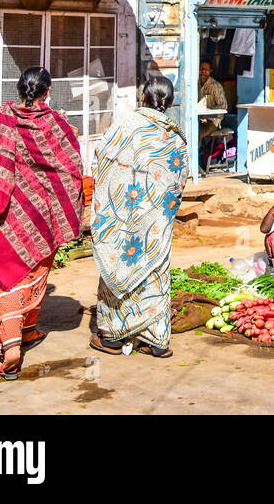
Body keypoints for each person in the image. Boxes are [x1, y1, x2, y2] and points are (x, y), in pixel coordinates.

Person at [0, 67, 84, 380]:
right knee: (25, 275)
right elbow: (72, 168)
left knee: (8, 275)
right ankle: (11, 347)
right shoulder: (57, 125)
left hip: (2, 215)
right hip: (40, 215)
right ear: (47, 91)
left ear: (19, 90)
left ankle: (23, 334)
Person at [89, 75, 189, 358]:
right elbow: (179, 179)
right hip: (155, 219)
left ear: (143, 98)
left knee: (118, 262)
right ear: (169, 102)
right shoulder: (175, 136)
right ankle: (156, 339)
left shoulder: (125, 125)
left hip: (120, 215)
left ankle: (112, 336)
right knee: (155, 269)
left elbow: (102, 158)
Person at [197, 59, 228, 140]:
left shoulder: (215, 86)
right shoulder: (195, 84)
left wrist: (207, 115)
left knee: (197, 133)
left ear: (210, 71)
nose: (203, 71)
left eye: (206, 69)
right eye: (201, 69)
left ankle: (197, 152)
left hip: (212, 122)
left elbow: (223, 105)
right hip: (198, 119)